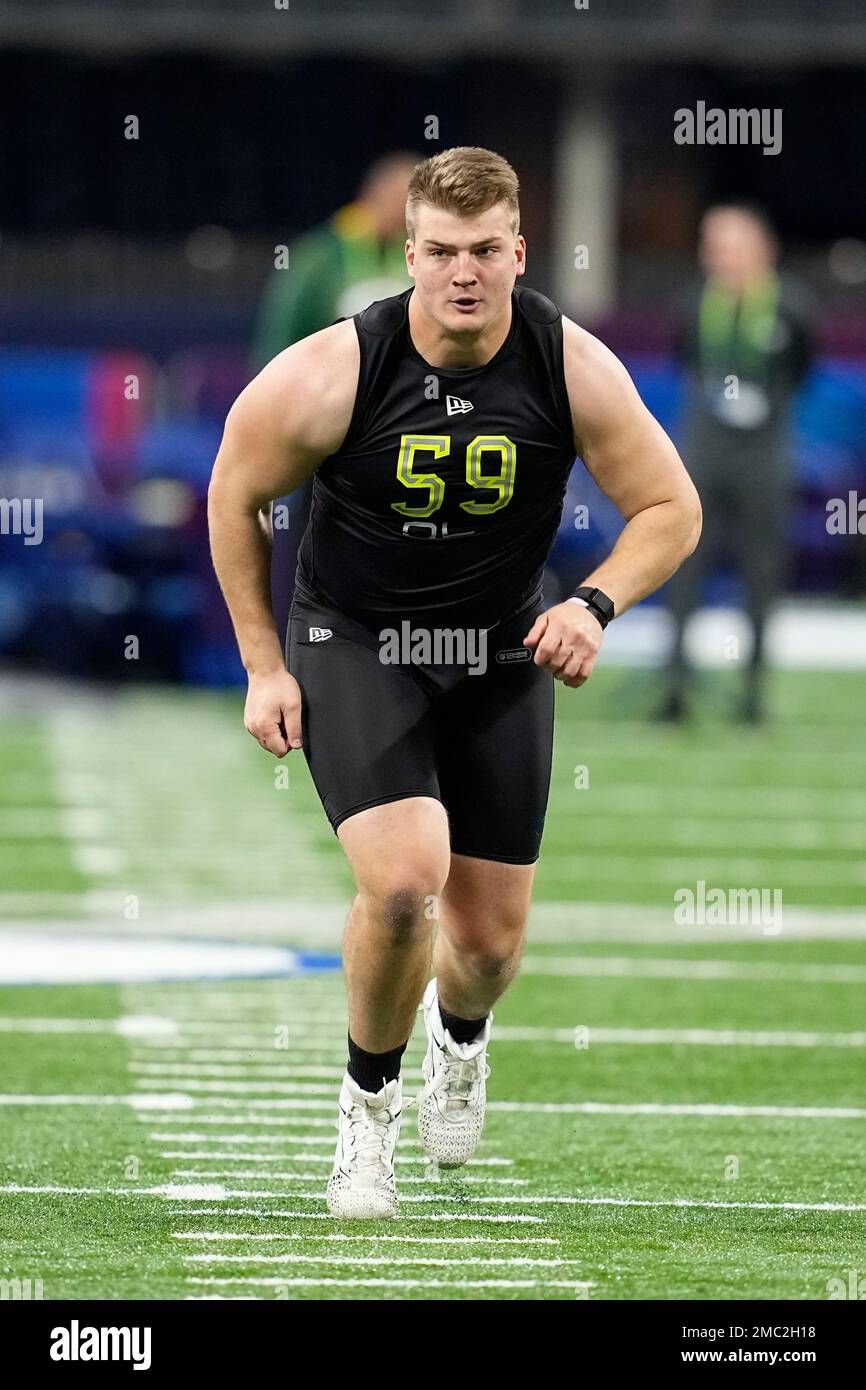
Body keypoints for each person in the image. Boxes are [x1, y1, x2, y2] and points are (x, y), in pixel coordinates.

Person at [208, 146, 701, 1219]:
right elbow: (234, 490)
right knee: (400, 882)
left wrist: (592, 603)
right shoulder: (337, 367)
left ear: (519, 252)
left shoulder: (569, 363)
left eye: (484, 251)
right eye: (440, 252)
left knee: (484, 951)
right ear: (409, 253)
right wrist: (259, 662)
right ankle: (364, 1114)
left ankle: (460, 1040)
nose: (462, 273)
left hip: (498, 650)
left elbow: (669, 508)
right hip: (357, 641)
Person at [659, 203, 815, 723]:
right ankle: (676, 688)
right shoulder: (693, 301)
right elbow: (686, 361)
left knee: (762, 569)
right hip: (704, 449)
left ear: (762, 249)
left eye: (734, 245)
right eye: (715, 246)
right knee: (683, 562)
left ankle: (752, 693)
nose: (722, 257)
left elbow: (801, 368)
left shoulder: (791, 305)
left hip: (764, 452)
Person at [252, 153, 417, 642]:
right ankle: (297, 655)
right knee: (312, 551)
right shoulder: (320, 259)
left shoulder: (430, 257)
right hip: (329, 440)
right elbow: (279, 346)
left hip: (404, 437)